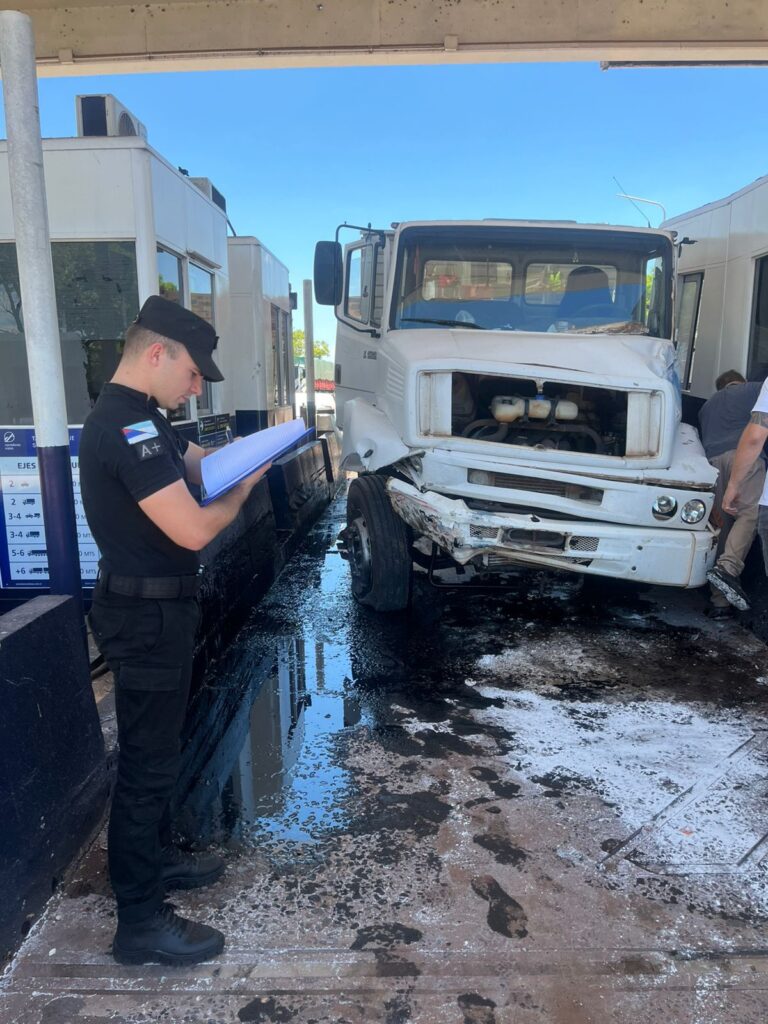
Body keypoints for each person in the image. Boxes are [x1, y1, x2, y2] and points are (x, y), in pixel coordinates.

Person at [80, 295, 270, 966]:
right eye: (193, 373)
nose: (198, 387)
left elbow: (195, 460)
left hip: (156, 608)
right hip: (147, 613)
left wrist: (248, 451)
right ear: (156, 352)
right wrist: (244, 489)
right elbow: (192, 530)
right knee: (147, 765)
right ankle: (140, 922)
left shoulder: (144, 418)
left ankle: (153, 862)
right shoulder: (123, 430)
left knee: (159, 756)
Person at [698, 370, 765, 614]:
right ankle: (728, 568)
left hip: (711, 465)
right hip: (742, 460)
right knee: (750, 514)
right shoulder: (752, 390)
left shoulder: (706, 407)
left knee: (723, 526)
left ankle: (719, 602)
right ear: (741, 381)